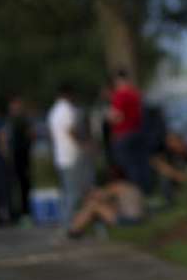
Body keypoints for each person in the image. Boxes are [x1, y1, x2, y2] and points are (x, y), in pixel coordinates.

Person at [67, 167, 144, 238]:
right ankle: (77, 228)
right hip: (138, 218)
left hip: (128, 220)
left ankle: (74, 229)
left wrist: (88, 193)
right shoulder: (131, 186)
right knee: (97, 205)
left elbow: (100, 195)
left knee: (93, 205)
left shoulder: (118, 186)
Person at [108, 70, 152, 193]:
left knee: (128, 166)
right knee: (140, 164)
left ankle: (136, 194)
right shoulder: (136, 94)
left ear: (118, 80)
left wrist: (109, 118)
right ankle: (146, 191)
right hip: (138, 132)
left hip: (123, 135)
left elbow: (116, 116)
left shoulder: (119, 95)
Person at [47, 83, 84, 230]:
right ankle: (68, 224)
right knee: (73, 192)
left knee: (65, 191)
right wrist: (82, 144)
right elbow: (71, 131)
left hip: (59, 155)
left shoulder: (53, 111)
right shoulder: (67, 110)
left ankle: (65, 220)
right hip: (70, 154)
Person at [7, 95, 34, 220]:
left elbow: (30, 135)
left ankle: (24, 213)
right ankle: (21, 213)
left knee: (23, 186)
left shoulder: (20, 120)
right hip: (17, 157)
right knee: (18, 187)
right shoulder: (14, 121)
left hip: (22, 156)